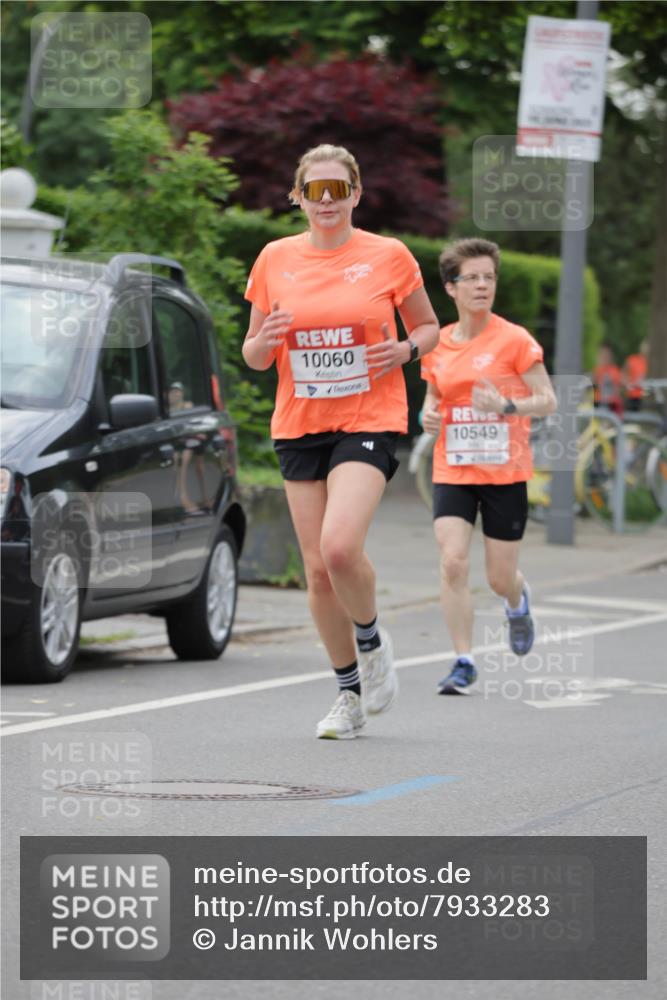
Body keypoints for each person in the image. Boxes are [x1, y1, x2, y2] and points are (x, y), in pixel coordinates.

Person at [242, 143, 440, 738]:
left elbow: (429, 328)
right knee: (318, 571)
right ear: (297, 197)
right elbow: (253, 355)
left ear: (355, 193)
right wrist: (267, 337)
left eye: (337, 190)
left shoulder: (389, 255)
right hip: (298, 423)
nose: (325, 201)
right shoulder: (275, 258)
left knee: (338, 547)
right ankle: (350, 695)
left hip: (370, 416)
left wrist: (405, 349)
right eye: (314, 191)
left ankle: (373, 640)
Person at [421, 238, 557, 694]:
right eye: (472, 278)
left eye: (488, 277)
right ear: (451, 288)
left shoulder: (514, 340)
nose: (482, 285)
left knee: (499, 578)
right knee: (453, 561)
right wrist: (428, 416)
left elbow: (548, 401)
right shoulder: (437, 344)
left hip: (504, 472)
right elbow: (433, 399)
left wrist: (505, 404)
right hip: (453, 470)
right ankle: (463, 661)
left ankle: (517, 602)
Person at [593, 343, 623, 416]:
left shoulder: (614, 371)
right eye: (602, 354)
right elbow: (595, 388)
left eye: (606, 355)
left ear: (610, 356)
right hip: (600, 404)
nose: (604, 357)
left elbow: (617, 390)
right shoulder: (597, 370)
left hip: (611, 405)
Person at [623, 340, 648, 412]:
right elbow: (623, 374)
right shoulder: (633, 360)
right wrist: (627, 385)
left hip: (646, 396)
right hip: (633, 396)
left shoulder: (649, 362)